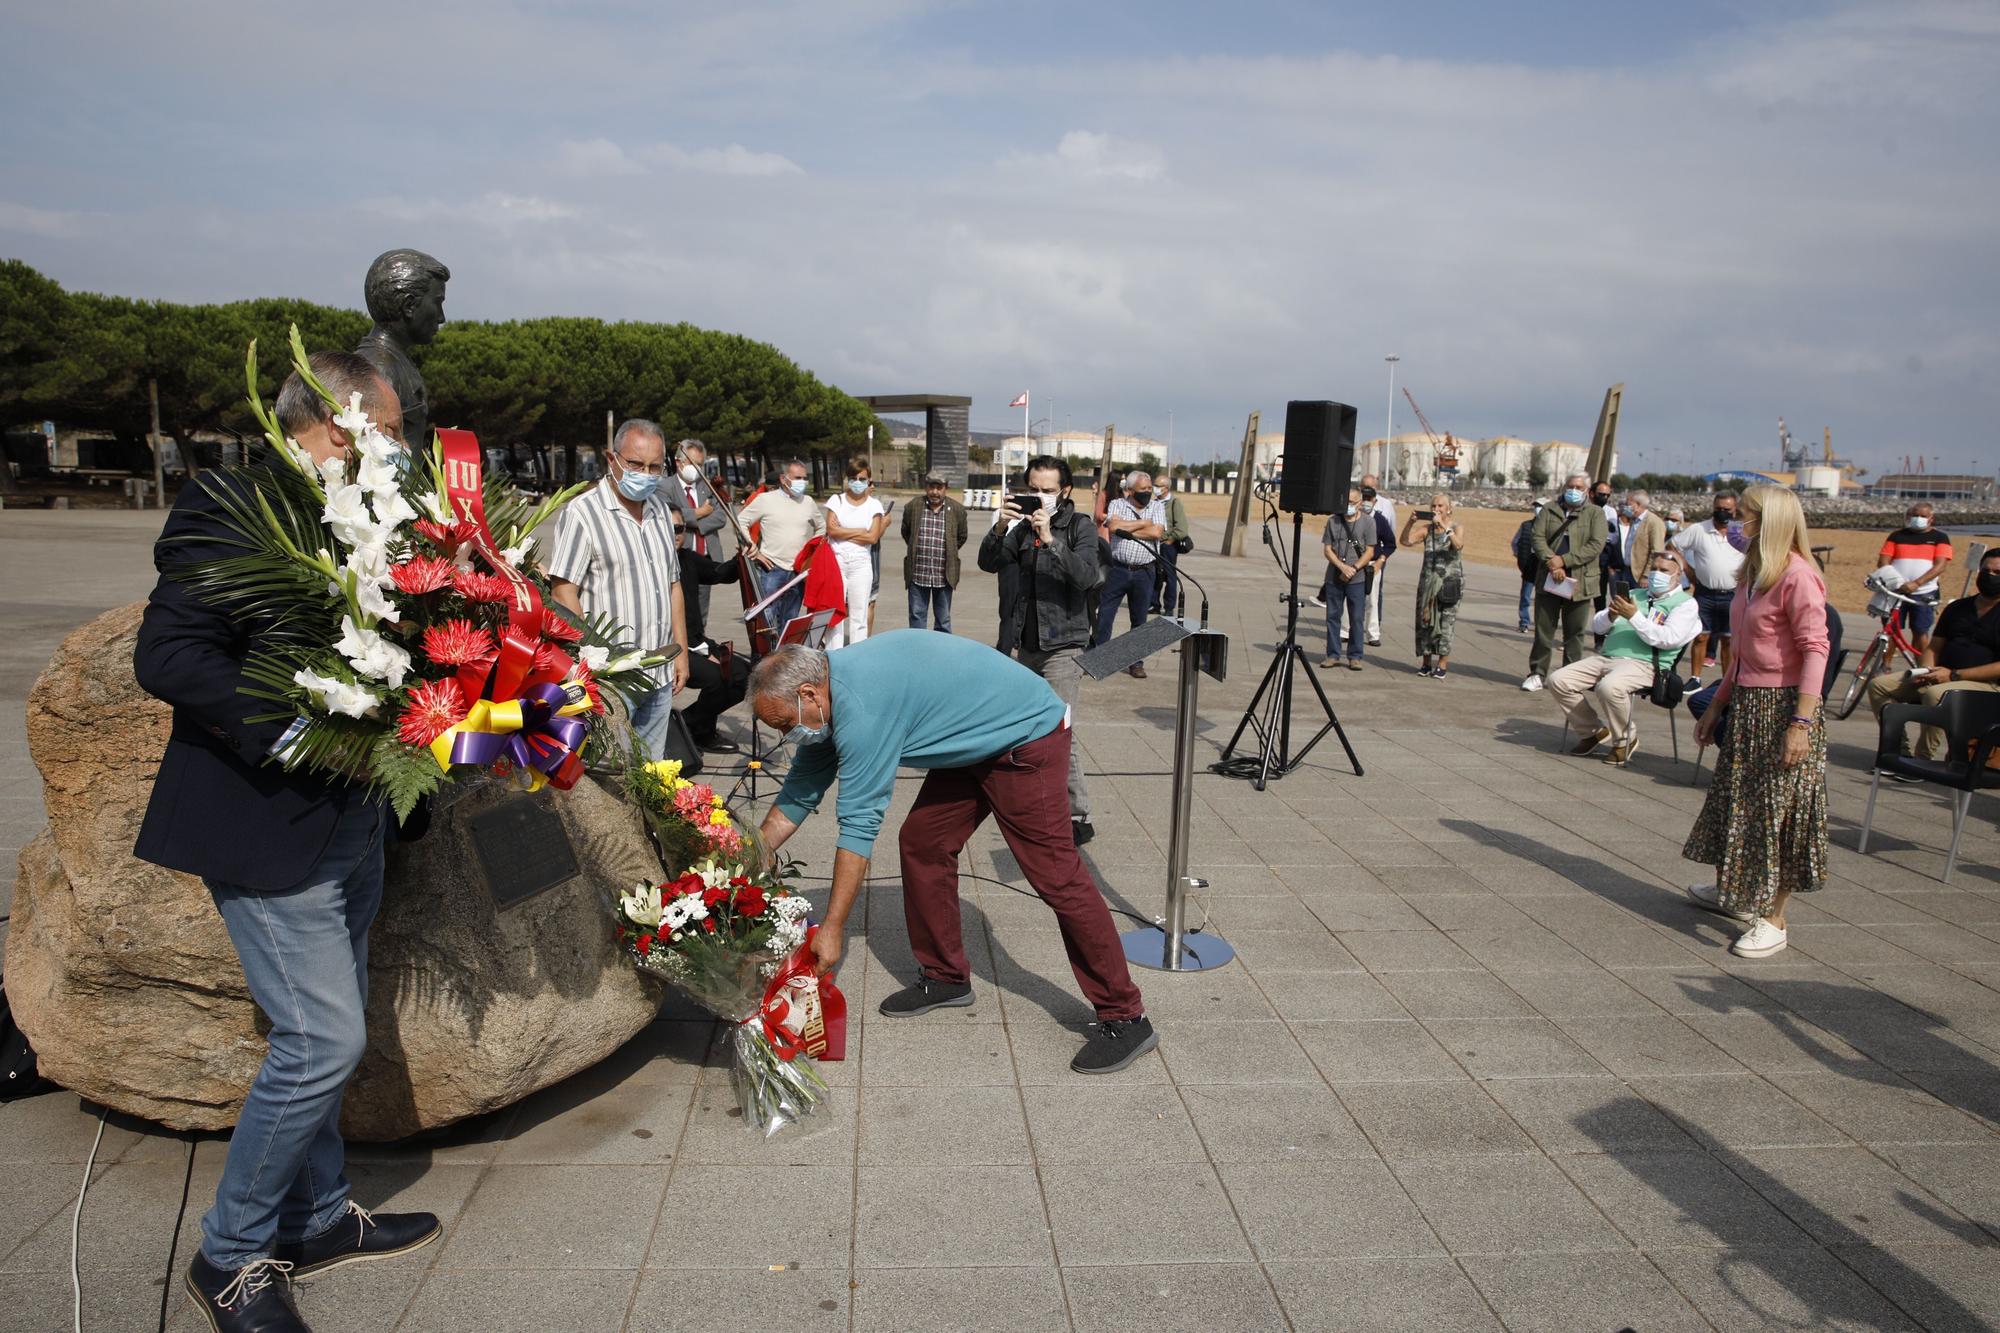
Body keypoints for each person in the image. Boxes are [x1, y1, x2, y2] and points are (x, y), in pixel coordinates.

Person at [134, 352, 440, 1333]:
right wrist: (307, 732)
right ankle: (229, 1254)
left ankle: (315, 1217)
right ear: (340, 418)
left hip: (354, 821)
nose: (400, 446)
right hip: (266, 816)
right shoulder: (235, 502)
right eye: (389, 427)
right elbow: (170, 654)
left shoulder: (372, 517)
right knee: (322, 1039)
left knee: (324, 1027)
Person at [750, 636, 1155, 1073]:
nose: (787, 735)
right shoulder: (827, 696)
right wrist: (745, 861)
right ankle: (946, 977)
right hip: (972, 737)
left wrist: (832, 927)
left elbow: (859, 826)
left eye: (787, 724)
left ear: (809, 693)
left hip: (1025, 736)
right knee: (924, 843)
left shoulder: (862, 707)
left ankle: (1125, 1015)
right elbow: (798, 792)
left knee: (1056, 874)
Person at [1683, 485, 1830, 960]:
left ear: (1767, 523)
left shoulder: (1798, 576)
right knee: (1738, 802)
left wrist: (1801, 722)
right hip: (1748, 702)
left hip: (1784, 706)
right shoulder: (1751, 576)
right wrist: (1716, 705)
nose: (1734, 526)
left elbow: (1815, 650)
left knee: (1779, 812)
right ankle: (1735, 890)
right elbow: (1742, 655)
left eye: (1744, 517)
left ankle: (1773, 917)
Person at [547, 420, 692, 761]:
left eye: (654, 467)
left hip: (658, 673)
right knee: (611, 775)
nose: (645, 473)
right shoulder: (583, 513)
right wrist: (593, 661)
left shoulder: (659, 510)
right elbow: (563, 593)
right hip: (612, 681)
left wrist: (681, 651)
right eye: (635, 464)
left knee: (651, 773)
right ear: (611, 459)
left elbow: (673, 585)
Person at [979, 455, 1104, 844]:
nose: (1039, 497)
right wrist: (1001, 526)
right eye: (1033, 489)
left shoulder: (1079, 526)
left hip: (1064, 644)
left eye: (1047, 490)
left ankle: (1077, 815)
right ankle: (1037, 802)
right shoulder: (1020, 528)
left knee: (1059, 727)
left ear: (1064, 491)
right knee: (1028, 726)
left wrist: (1051, 540)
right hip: (1027, 643)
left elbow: (1087, 576)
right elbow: (988, 562)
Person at [1548, 547, 1701, 765]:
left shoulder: (1685, 604)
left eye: (1664, 570)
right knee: (1558, 680)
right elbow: (1598, 627)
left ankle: (1624, 739)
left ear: (1679, 575)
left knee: (1609, 687)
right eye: (1654, 569)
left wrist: (1635, 616)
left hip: (1646, 664)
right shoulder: (1634, 594)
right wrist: (1611, 615)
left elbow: (1668, 638)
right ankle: (1592, 731)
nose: (1657, 574)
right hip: (1607, 657)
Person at [1865, 547, 2000, 764]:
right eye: (1986, 571)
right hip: (1942, 674)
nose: (1990, 576)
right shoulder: (1958, 607)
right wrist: (1926, 670)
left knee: (1936, 695)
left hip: (1986, 684)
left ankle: (1923, 759)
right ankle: (1897, 751)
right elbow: (1934, 647)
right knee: (1879, 686)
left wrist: (1955, 675)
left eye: (1997, 573)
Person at [353, 248, 448, 448]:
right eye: (437, 302)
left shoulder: (393, 363)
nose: (441, 317)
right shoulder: (380, 371)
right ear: (409, 306)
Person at [1523, 474, 1608, 691]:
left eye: (1579, 487)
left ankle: (1569, 675)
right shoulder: (1550, 509)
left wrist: (1565, 560)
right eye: (1570, 486)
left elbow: (1595, 545)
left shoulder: (1595, 513)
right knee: (1544, 629)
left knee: (1575, 632)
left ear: (1587, 491)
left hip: (1580, 581)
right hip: (1550, 577)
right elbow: (1537, 537)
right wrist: (1552, 562)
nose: (1574, 490)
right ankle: (1537, 673)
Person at [738, 457, 827, 634]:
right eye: (797, 478)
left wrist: (811, 553)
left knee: (791, 620)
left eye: (804, 478)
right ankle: (765, 659)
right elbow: (741, 520)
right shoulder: (765, 500)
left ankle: (785, 659)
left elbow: (822, 527)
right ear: (783, 479)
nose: (802, 482)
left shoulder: (808, 502)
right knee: (767, 620)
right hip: (771, 568)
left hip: (797, 572)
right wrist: (752, 549)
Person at [1096, 469, 1166, 678]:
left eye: (1149, 488)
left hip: (1145, 572)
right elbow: (1114, 528)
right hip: (1118, 569)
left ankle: (1136, 663)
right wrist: (1144, 523)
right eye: (1142, 489)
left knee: (1139, 619)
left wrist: (1130, 528)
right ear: (1130, 490)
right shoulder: (1117, 504)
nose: (1147, 492)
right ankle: (1099, 657)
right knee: (1105, 615)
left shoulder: (1157, 506)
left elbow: (1157, 532)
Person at [1674, 490, 1745, 689]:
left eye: (1727, 509)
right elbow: (1673, 546)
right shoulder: (1699, 529)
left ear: (1735, 510)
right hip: (1705, 592)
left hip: (1732, 593)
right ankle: (1695, 679)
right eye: (1718, 509)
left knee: (1729, 640)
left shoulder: (1741, 531)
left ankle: (1726, 682)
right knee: (1700, 636)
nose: (1722, 513)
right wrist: (1688, 571)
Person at [822, 459, 887, 650]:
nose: (857, 482)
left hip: (861, 565)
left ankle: (857, 654)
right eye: (853, 478)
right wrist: (861, 532)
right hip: (837, 563)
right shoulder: (837, 500)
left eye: (862, 478)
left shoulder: (874, 505)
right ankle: (834, 654)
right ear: (847, 479)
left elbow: (873, 537)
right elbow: (831, 531)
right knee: (835, 613)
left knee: (859, 614)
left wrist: (845, 531)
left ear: (869, 480)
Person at [1403, 493, 1467, 680]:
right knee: (1425, 623)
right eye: (1434, 506)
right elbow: (1406, 541)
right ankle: (1425, 662)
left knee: (1446, 624)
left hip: (1449, 584)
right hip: (1428, 583)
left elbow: (1458, 545)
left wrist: (1445, 526)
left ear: (1449, 509)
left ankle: (1442, 663)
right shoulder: (1426, 530)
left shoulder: (1456, 528)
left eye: (1440, 506)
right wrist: (1410, 523)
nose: (1436, 509)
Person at [1878, 502, 1953, 654]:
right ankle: (1884, 666)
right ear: (1908, 517)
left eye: (1923, 516)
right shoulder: (1896, 536)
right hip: (1896, 591)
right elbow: (1883, 561)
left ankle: (1922, 668)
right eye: (1915, 515)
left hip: (1924, 592)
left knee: (1920, 631)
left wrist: (1917, 583)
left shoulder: (1940, 537)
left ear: (1931, 518)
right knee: (1890, 630)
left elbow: (1940, 566)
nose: (1918, 518)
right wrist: (1894, 581)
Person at [665, 439, 728, 619]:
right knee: (681, 611)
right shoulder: (665, 486)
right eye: (692, 463)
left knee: (701, 612)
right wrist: (701, 512)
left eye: (700, 464)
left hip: (705, 559)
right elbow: (669, 515)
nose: (697, 468)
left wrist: (696, 523)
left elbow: (720, 516)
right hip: (681, 560)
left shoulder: (707, 487)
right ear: (679, 462)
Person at [901, 472, 969, 632]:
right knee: (917, 616)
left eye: (939, 487)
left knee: (943, 619)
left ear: (946, 488)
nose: (935, 492)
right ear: (926, 487)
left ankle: (941, 653)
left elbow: (961, 536)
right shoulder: (913, 507)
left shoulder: (957, 510)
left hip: (944, 576)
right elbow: (906, 532)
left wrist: (950, 550)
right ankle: (918, 650)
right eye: (932, 487)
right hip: (918, 574)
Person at [1318, 486, 1376, 670]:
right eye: (1345, 503)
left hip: (1357, 578)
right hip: (1335, 575)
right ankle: (1333, 654)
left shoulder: (1368, 522)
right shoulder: (1333, 521)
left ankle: (1355, 655)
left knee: (1356, 617)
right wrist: (1341, 566)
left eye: (1351, 503)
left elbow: (1370, 551)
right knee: (1333, 616)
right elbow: (1327, 549)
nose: (1348, 506)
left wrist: (1354, 568)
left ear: (1359, 503)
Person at [1359, 477, 1398, 645]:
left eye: (1369, 499)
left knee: (1373, 599)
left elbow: (1390, 540)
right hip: (1353, 563)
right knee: (1350, 599)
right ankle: (1346, 630)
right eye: (1363, 498)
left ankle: (1373, 633)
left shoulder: (1380, 518)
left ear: (1374, 500)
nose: (1366, 502)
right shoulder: (1352, 516)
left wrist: (1381, 559)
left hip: (1373, 564)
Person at [1151, 474, 1190, 614]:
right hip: (1154, 544)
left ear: (1166, 488)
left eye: (1157, 486)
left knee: (1169, 575)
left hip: (1167, 545)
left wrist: (1169, 539)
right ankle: (1153, 603)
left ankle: (1169, 607)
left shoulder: (1174, 503)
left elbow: (1182, 528)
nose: (1154, 488)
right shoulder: (1154, 502)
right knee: (1155, 574)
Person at [1511, 499, 1546, 632]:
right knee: (1526, 595)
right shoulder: (1526, 525)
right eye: (1536, 506)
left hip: (1544, 566)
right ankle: (1524, 622)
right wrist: (1519, 556)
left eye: (1540, 506)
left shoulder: (1550, 527)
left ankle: (1541, 624)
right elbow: (1515, 542)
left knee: (1543, 598)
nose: (1537, 508)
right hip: (1529, 565)